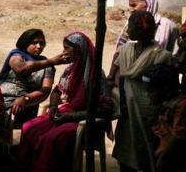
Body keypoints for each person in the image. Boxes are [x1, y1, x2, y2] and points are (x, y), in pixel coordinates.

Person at [18, 31, 114, 172]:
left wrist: (72, 116)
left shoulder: (96, 75)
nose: (63, 52)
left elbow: (106, 108)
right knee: (28, 127)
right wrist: (53, 106)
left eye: (67, 48)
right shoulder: (71, 69)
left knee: (51, 139)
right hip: (67, 113)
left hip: (83, 120)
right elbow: (56, 91)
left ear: (79, 49)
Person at [112, 11, 173, 172]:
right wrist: (123, 104)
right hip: (130, 111)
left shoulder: (160, 56)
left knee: (146, 151)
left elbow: (166, 88)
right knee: (131, 152)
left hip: (148, 113)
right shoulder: (127, 50)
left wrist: (123, 103)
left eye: (130, 24)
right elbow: (121, 78)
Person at [0, 29, 72, 125]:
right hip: (2, 100)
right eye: (34, 43)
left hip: (25, 106)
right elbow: (21, 68)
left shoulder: (47, 66)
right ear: (25, 43)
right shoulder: (16, 55)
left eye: (42, 43)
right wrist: (51, 62)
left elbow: (45, 91)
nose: (39, 47)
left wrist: (25, 99)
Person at [109, 0, 178, 85]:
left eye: (134, 5)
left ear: (148, 4)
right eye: (129, 6)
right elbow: (119, 53)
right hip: (126, 84)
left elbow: (174, 57)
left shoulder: (167, 26)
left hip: (154, 84)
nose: (130, 9)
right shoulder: (130, 24)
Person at [147, 64, 186, 172]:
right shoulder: (166, 106)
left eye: (151, 91)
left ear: (165, 90)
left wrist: (163, 160)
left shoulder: (182, 107)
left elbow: (177, 139)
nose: (148, 95)